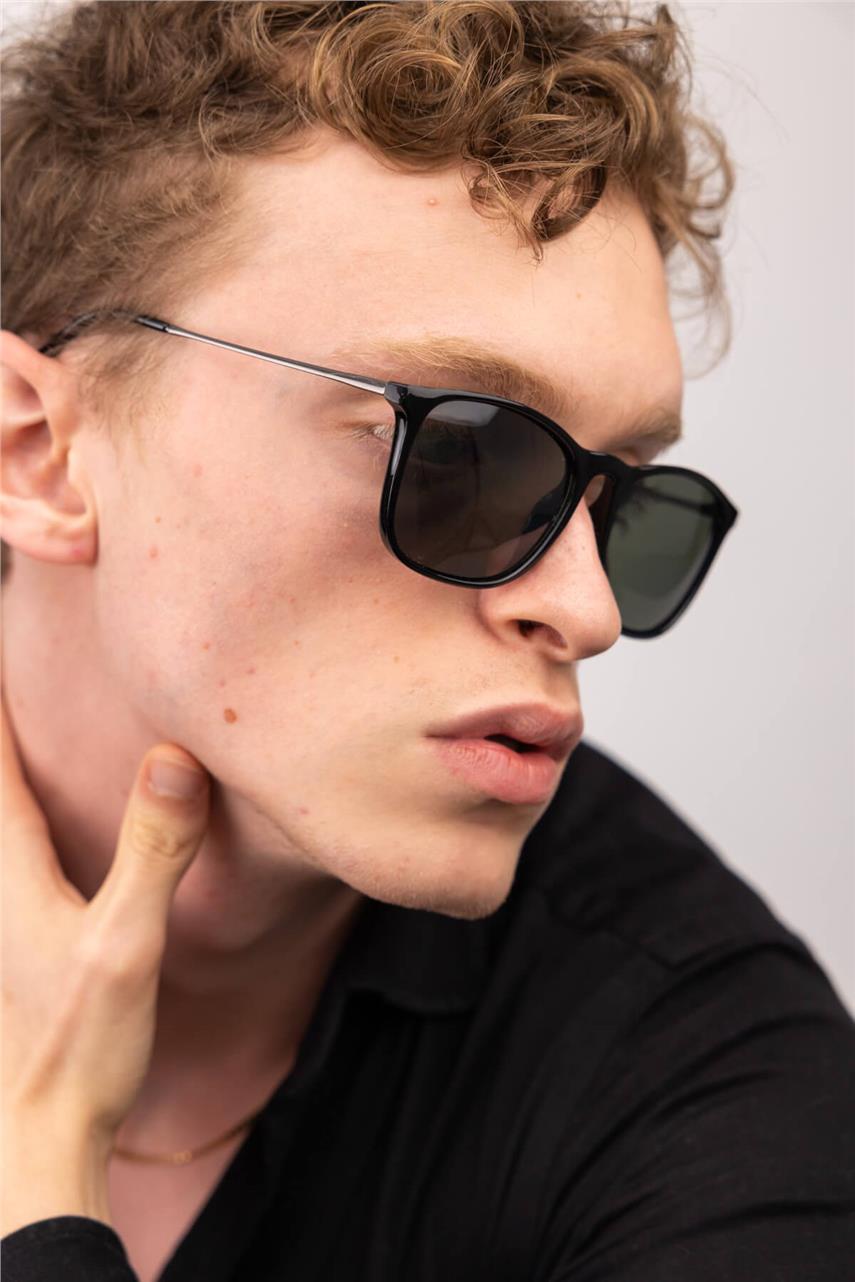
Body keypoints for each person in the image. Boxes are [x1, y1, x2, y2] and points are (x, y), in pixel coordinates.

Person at [1, 2, 853, 1280]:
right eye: (459, 451)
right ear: (41, 455)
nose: (588, 611)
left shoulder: (707, 1064)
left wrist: (44, 1173)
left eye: (617, 496)